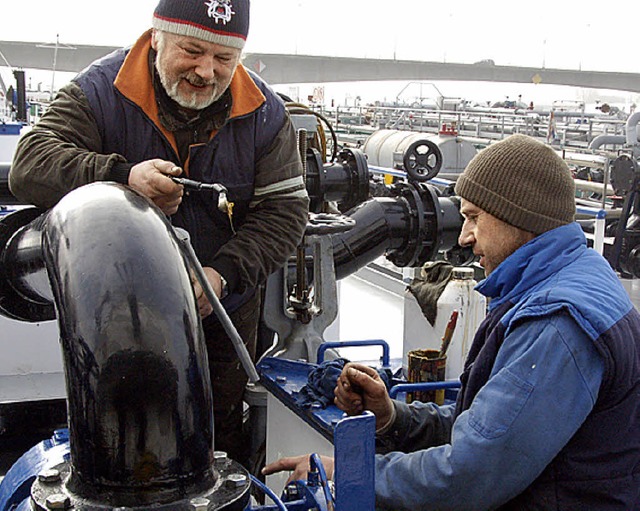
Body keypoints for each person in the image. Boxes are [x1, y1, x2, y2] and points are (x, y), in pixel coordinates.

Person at [263, 134, 640, 510]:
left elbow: (471, 475)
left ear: (518, 217)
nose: (464, 236)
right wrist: (394, 418)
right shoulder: (575, 276)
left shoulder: (556, 324)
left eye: (474, 217)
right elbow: (485, 427)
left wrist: (349, 474)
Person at [9, 0, 309, 466]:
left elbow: (286, 211)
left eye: (224, 59)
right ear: (156, 37)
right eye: (192, 51)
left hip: (222, 319)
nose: (206, 71)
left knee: (221, 439)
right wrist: (122, 177)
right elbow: (31, 164)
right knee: (123, 440)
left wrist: (222, 273)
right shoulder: (101, 90)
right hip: (118, 322)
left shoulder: (265, 114)